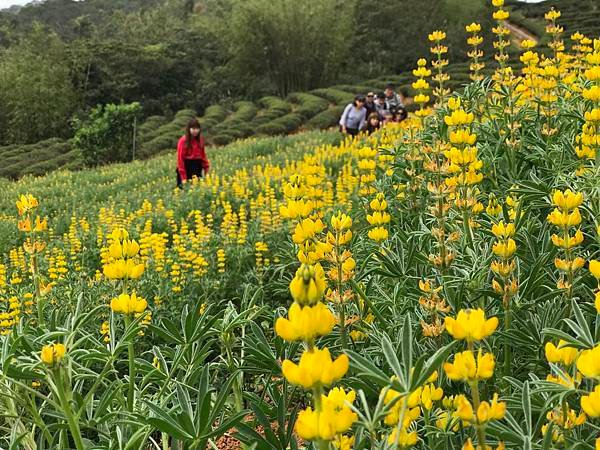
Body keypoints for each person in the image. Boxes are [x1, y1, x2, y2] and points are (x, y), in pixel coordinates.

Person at [176, 118, 210, 188]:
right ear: (189, 129)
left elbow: (203, 156)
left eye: (197, 128)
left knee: (197, 189)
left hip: (197, 168)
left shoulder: (200, 140)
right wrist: (183, 178)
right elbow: (180, 159)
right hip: (186, 168)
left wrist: (206, 169)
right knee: (184, 190)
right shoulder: (183, 141)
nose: (195, 131)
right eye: (193, 128)